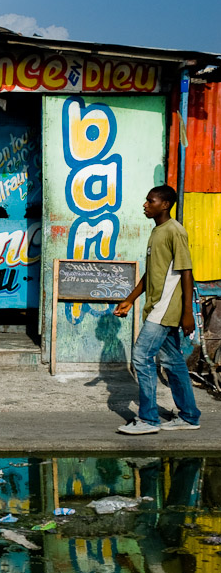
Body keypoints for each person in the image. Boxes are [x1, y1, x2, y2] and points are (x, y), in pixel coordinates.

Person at [114, 185, 201, 435]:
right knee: (173, 362)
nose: (145, 204)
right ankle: (189, 416)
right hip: (157, 306)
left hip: (165, 308)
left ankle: (148, 420)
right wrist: (130, 299)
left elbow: (186, 272)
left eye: (150, 201)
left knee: (141, 356)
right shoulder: (157, 232)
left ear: (164, 205)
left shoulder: (175, 231)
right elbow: (152, 272)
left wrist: (187, 313)